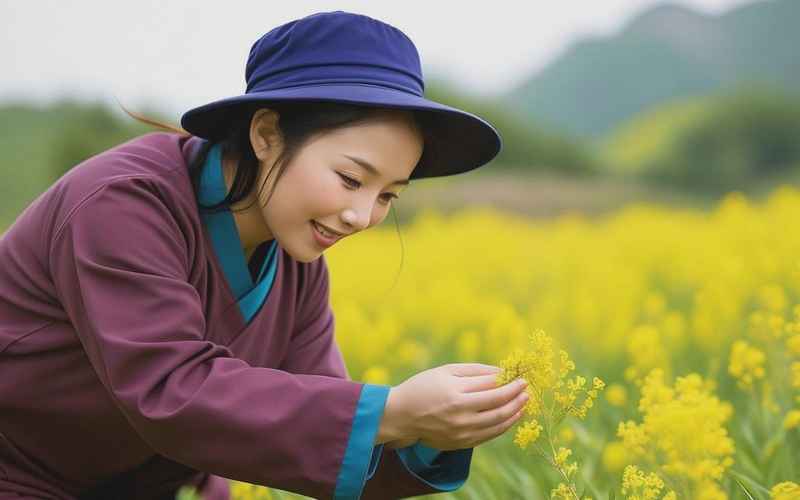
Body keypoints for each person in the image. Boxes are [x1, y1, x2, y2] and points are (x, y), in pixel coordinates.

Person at [0, 11, 531, 500]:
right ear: (266, 134)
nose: (361, 216)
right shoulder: (124, 205)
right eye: (350, 179)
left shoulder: (297, 266)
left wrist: (430, 431)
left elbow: (327, 435)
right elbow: (167, 390)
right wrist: (391, 412)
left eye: (388, 195)